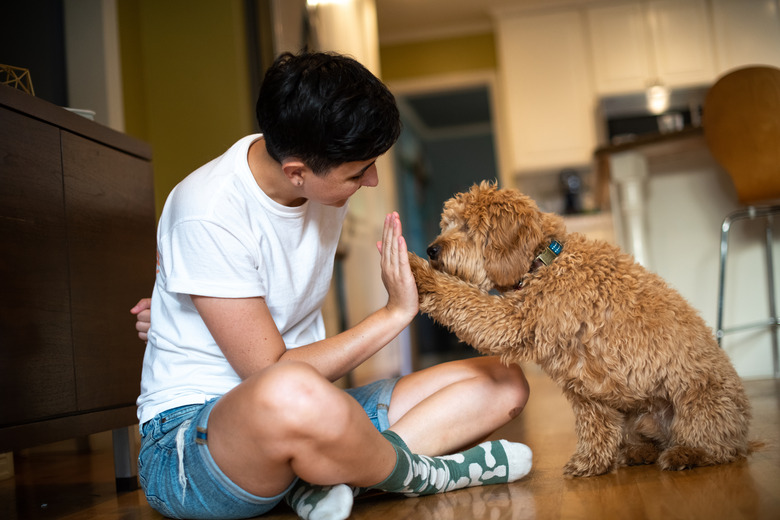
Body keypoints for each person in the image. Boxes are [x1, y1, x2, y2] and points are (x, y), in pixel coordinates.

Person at [131, 51, 532, 520]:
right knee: (289, 391)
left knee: (503, 383)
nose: (372, 179)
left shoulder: (318, 175)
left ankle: (324, 479)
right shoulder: (208, 208)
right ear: (297, 171)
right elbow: (270, 373)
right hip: (193, 444)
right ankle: (421, 473)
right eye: (357, 173)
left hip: (316, 409)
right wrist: (394, 314)